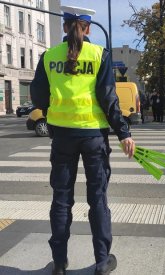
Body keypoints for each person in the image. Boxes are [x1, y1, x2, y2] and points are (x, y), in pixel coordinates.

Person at [30, 6, 135, 275]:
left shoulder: (48, 56)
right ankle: (102, 262)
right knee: (97, 199)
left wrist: (52, 114)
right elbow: (109, 99)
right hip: (93, 137)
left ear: (65, 27)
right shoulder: (99, 55)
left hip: (62, 137)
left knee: (61, 200)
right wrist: (123, 133)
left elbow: (39, 96)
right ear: (87, 28)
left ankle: (60, 263)